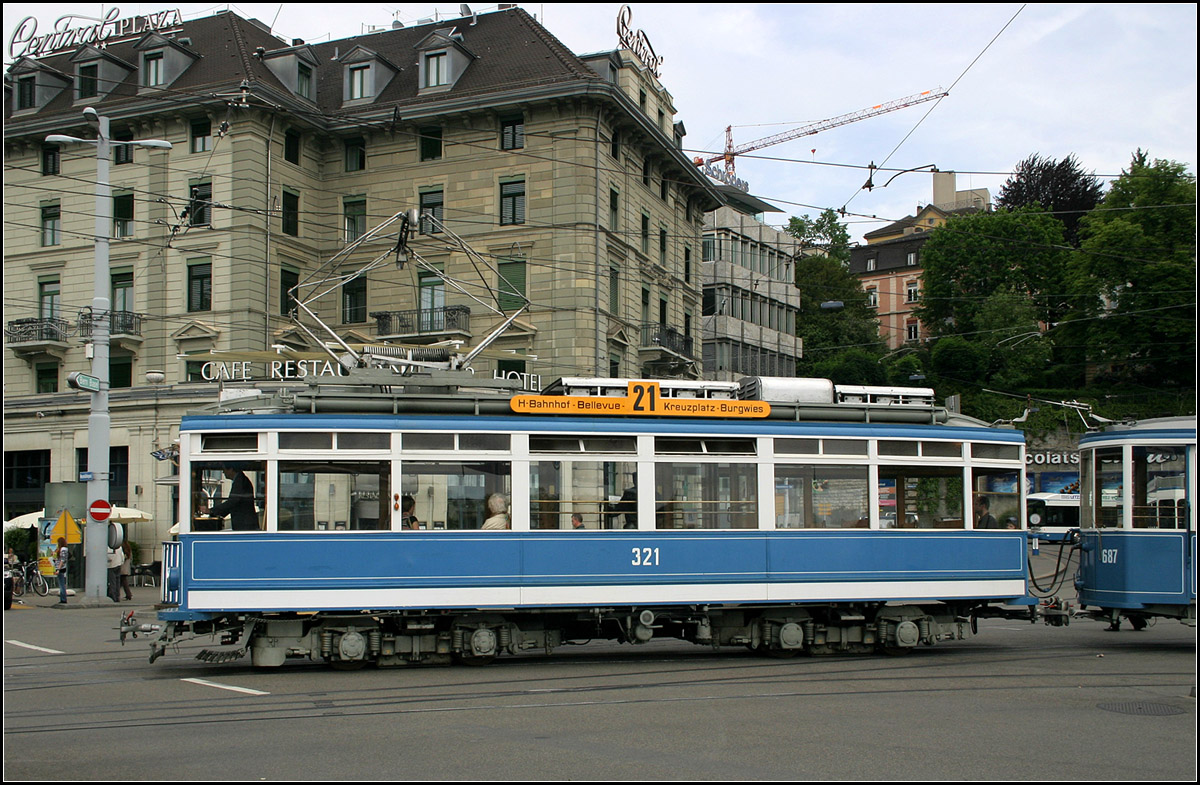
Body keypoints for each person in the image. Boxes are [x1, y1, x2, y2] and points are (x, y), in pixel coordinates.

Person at [54, 536, 69, 604]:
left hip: (61, 568)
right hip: (60, 568)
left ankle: (63, 599)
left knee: (61, 584)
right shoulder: (62, 549)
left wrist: (58, 569)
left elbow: (62, 560)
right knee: (61, 583)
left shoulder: (63, 549)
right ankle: (62, 598)